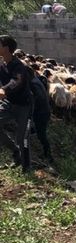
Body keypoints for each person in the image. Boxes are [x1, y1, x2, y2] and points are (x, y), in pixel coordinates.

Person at [0, 35, 33, 172]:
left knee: (22, 137)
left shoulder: (18, 66)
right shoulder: (2, 64)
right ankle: (15, 151)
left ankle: (26, 167)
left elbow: (16, 82)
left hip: (24, 105)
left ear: (6, 48)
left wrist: (3, 90)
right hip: (8, 103)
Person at [28, 64, 52, 162]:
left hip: (41, 113)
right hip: (44, 111)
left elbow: (38, 97)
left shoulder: (33, 83)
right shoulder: (36, 80)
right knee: (39, 132)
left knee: (41, 134)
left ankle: (48, 155)